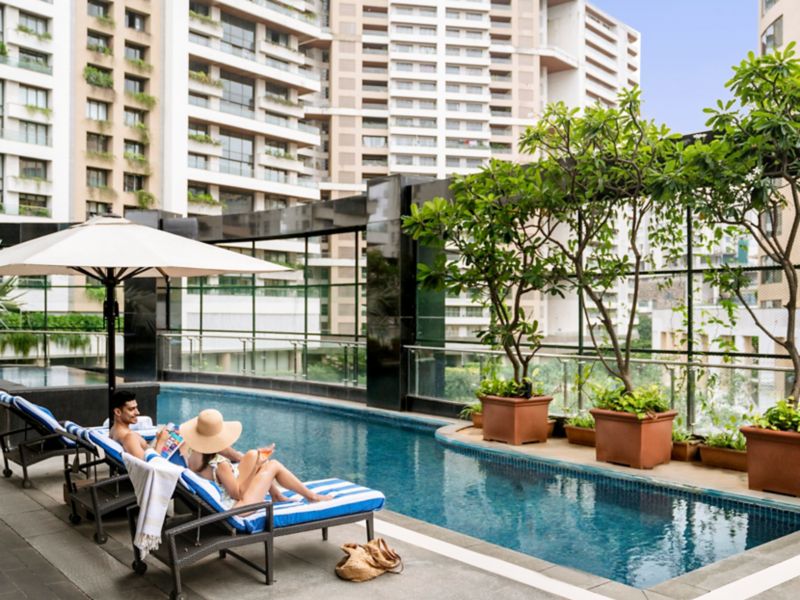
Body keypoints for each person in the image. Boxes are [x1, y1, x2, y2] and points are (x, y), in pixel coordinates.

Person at [181, 409, 333, 509]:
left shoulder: (191, 453)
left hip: (223, 492)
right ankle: (312, 497)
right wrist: (255, 468)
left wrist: (254, 461)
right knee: (273, 465)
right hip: (236, 507)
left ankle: (276, 495)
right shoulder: (221, 465)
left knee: (253, 455)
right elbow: (238, 494)